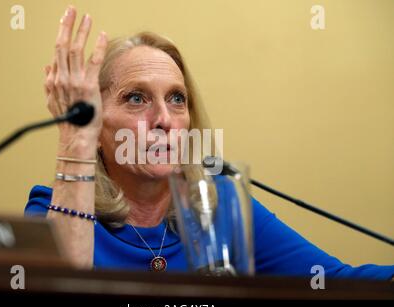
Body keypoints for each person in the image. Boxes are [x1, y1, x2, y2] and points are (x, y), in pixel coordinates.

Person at [25, 6, 394, 280]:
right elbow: (60, 289)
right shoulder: (53, 208)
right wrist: (75, 140)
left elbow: (335, 281)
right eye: (136, 98)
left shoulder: (219, 203)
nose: (164, 120)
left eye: (177, 99)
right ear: (94, 120)